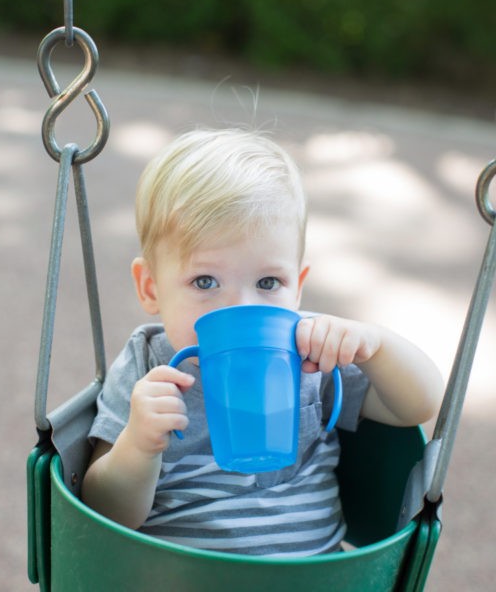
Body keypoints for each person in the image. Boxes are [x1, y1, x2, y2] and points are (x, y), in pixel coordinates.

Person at [81, 128, 442, 557]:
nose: (241, 308)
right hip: (183, 582)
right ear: (151, 287)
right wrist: (137, 446)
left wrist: (376, 347)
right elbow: (103, 512)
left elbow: (419, 406)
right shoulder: (146, 367)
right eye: (205, 281)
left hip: (316, 581)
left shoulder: (310, 350)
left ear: (298, 286)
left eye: (269, 282)